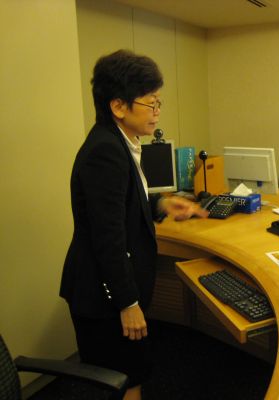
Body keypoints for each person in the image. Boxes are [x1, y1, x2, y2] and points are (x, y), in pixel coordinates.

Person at [60, 49, 208, 400]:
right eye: (150, 103)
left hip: (109, 289)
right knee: (125, 380)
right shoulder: (105, 151)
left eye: (159, 103)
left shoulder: (119, 142)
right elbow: (107, 237)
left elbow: (120, 205)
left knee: (130, 374)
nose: (157, 112)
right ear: (118, 106)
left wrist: (161, 204)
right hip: (104, 296)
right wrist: (127, 304)